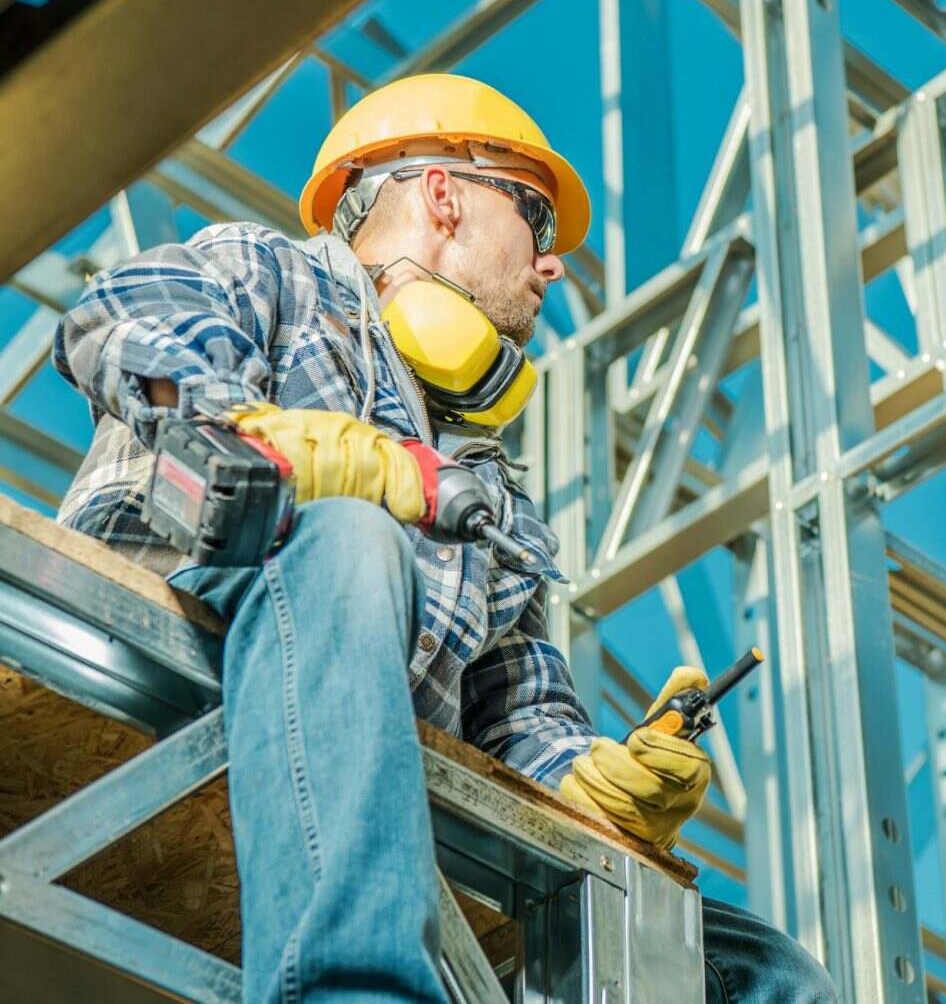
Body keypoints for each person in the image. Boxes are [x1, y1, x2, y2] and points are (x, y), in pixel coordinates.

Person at [52, 72, 835, 1004]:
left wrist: (596, 781)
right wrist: (250, 432)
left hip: (377, 814)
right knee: (346, 535)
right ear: (442, 194)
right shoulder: (275, 277)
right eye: (537, 224)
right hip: (160, 681)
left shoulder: (491, 492)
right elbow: (121, 319)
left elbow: (518, 726)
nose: (552, 267)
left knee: (762, 974)